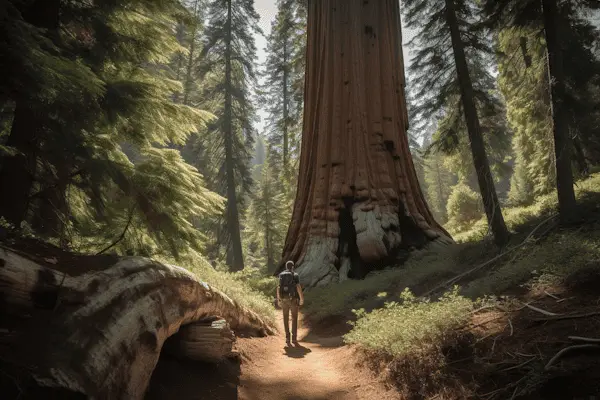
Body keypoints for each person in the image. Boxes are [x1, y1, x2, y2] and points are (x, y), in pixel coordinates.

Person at [277, 260, 304, 345]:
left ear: (286, 267)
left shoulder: (281, 275)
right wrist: (301, 298)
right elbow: (298, 287)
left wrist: (279, 299)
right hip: (293, 300)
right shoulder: (295, 275)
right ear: (292, 267)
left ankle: (287, 338)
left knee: (285, 318)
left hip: (284, 300)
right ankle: (294, 339)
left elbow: (278, 288)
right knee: (294, 318)